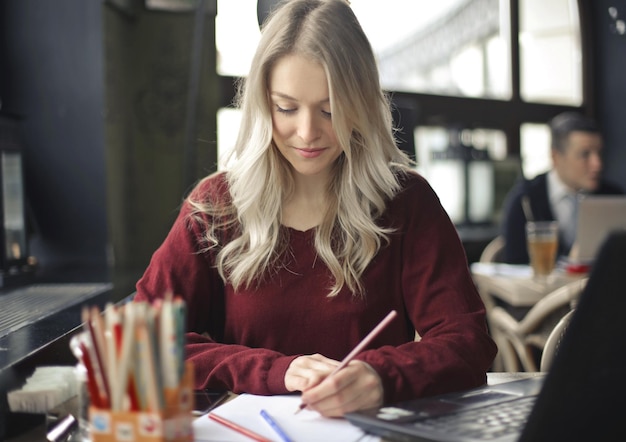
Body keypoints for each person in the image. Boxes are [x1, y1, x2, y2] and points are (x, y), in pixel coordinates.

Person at [134, 0, 496, 418]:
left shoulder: (407, 202)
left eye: (330, 109)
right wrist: (274, 370)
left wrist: (380, 376)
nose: (307, 133)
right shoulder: (215, 208)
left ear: (361, 103)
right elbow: (142, 340)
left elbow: (468, 340)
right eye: (286, 107)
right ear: (261, 103)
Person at [501, 111, 624, 264]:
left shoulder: (614, 197)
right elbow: (514, 264)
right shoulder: (524, 200)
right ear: (556, 157)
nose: (597, 164)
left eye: (599, 153)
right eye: (585, 154)